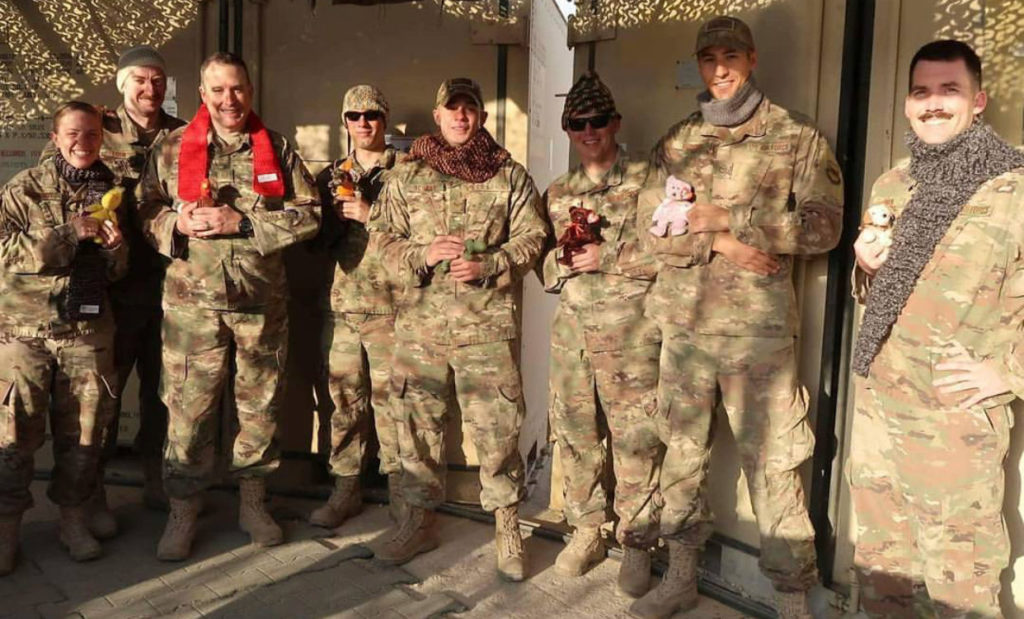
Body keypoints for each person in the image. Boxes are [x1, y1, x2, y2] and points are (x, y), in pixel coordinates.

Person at [632, 16, 843, 619]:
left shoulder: (796, 136)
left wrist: (730, 220)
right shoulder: (677, 143)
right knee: (682, 456)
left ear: (751, 59)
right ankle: (679, 576)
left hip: (758, 335)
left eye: (730, 56)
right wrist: (722, 243)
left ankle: (792, 596)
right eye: (707, 58)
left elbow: (824, 226)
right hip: (686, 331)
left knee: (774, 466)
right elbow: (651, 235)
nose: (718, 68)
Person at [850, 39, 1024, 617]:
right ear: (906, 104)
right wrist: (867, 265)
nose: (933, 104)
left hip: (952, 433)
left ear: (978, 101)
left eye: (949, 90)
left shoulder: (1013, 186)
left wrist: (1006, 370)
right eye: (921, 92)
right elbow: (878, 296)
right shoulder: (892, 184)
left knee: (958, 593)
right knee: (880, 573)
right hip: (878, 416)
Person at [138, 51, 320, 560]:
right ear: (202, 94)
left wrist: (241, 223)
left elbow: (310, 216)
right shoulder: (172, 149)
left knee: (259, 408)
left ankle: (253, 502)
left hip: (260, 306)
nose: (228, 99)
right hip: (191, 309)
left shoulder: (276, 147)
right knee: (188, 412)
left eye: (237, 88)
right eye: (217, 90)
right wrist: (174, 224)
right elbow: (144, 209)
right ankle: (183, 509)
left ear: (250, 90)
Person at [368, 78, 547, 581]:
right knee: (416, 430)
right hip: (420, 328)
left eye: (470, 109)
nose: (461, 117)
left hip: (485, 329)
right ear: (437, 114)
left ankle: (507, 525)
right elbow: (380, 239)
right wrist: (420, 255)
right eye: (452, 108)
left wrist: (492, 263)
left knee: (497, 430)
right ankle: (419, 521)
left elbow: (535, 236)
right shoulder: (408, 176)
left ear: (482, 117)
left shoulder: (508, 175)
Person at [39, 46, 187, 538]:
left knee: (164, 397)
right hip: (109, 291)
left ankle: (157, 481)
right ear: (122, 84)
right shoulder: (95, 129)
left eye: (159, 79)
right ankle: (91, 494)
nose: (151, 89)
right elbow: (55, 182)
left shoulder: (186, 135)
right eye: (141, 80)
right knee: (100, 400)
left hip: (172, 286)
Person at [539, 72, 662, 598]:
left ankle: (637, 543)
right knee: (576, 432)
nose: (588, 131)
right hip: (573, 334)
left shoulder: (649, 180)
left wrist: (605, 255)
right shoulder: (559, 192)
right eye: (577, 123)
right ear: (568, 130)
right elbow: (542, 264)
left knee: (635, 439)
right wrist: (561, 262)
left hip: (631, 333)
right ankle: (587, 528)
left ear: (615, 123)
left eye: (596, 122)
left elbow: (672, 251)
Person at [0, 101, 127, 572]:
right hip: (24, 331)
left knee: (86, 435)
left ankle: (72, 518)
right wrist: (66, 234)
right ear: (54, 138)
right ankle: (6, 526)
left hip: (87, 331)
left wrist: (116, 251)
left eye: (92, 134)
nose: (83, 143)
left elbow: (117, 272)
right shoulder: (23, 189)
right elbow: (3, 251)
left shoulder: (113, 191)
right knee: (15, 433)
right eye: (73, 134)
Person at [309, 85, 404, 528]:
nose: (363, 123)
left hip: (393, 308)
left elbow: (420, 234)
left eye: (371, 115)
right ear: (344, 121)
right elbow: (312, 242)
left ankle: (404, 496)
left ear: (385, 120)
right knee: (344, 402)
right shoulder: (330, 175)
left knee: (395, 404)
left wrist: (372, 212)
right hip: (343, 306)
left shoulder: (406, 172)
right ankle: (345, 488)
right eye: (353, 116)